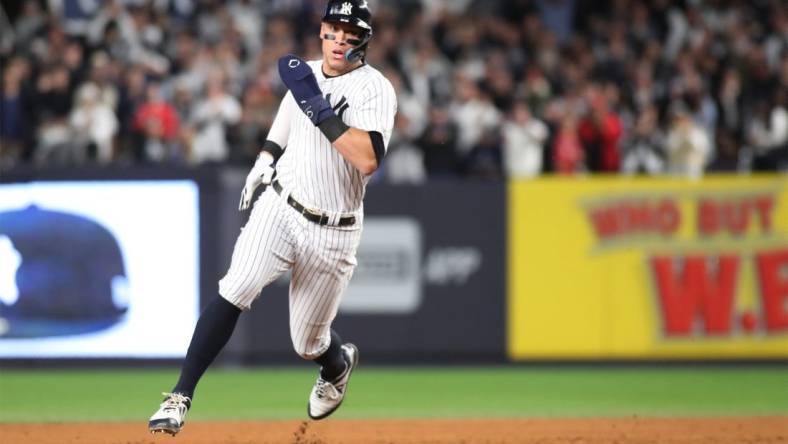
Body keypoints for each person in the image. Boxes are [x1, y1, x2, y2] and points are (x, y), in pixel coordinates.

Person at [148, 0, 396, 436]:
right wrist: (266, 157)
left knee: (308, 343)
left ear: (364, 40)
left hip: (334, 231)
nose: (339, 38)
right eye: (333, 28)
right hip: (282, 205)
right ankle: (179, 396)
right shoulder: (308, 76)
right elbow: (286, 116)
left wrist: (319, 111)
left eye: (350, 32)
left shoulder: (374, 89)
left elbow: (367, 159)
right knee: (236, 286)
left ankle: (337, 363)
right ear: (322, 30)